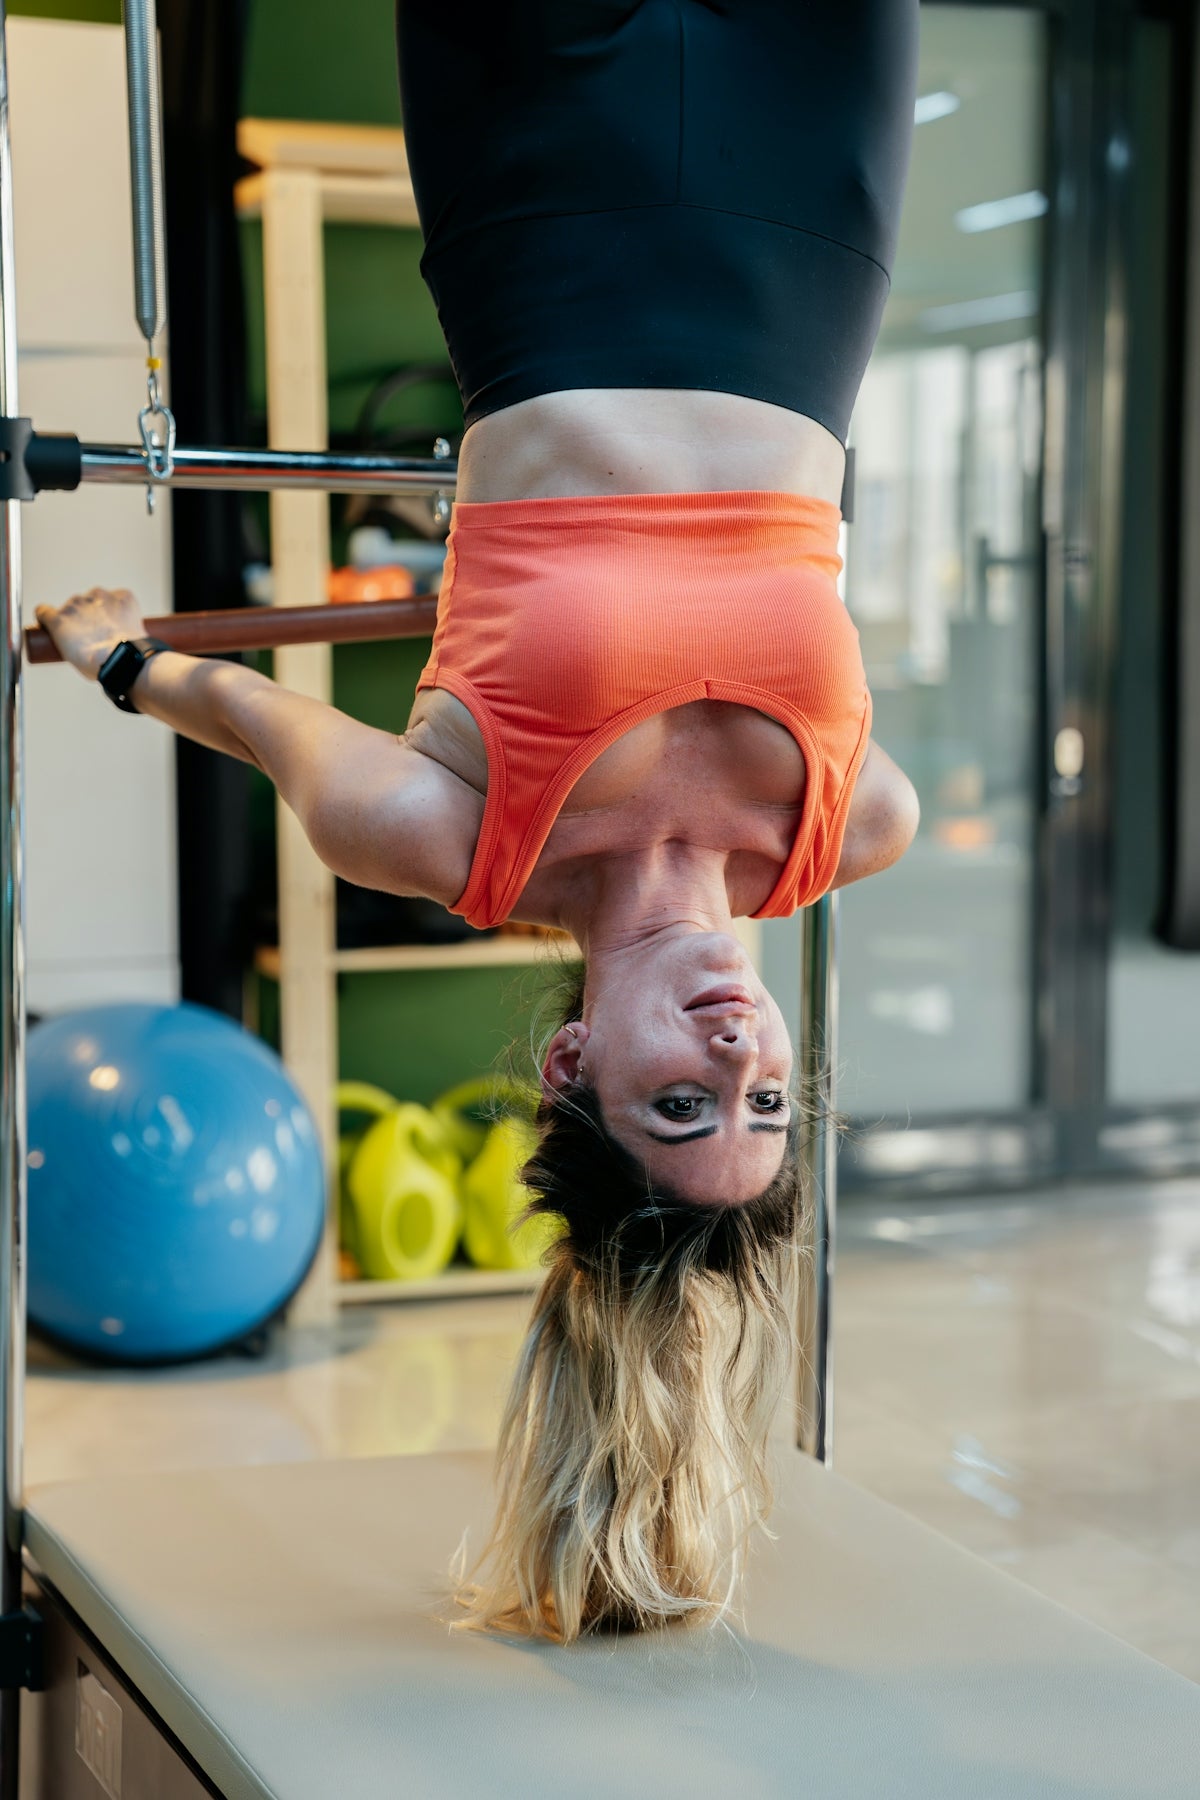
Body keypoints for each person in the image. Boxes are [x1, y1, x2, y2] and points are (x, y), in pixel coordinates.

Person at [37, 0, 921, 1642]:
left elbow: (248, 711)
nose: (738, 1048)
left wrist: (118, 655)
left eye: (679, 1102)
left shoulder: (451, 836)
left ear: (573, 1065)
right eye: (768, 1099)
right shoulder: (848, 826)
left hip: (552, 229)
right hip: (813, 232)